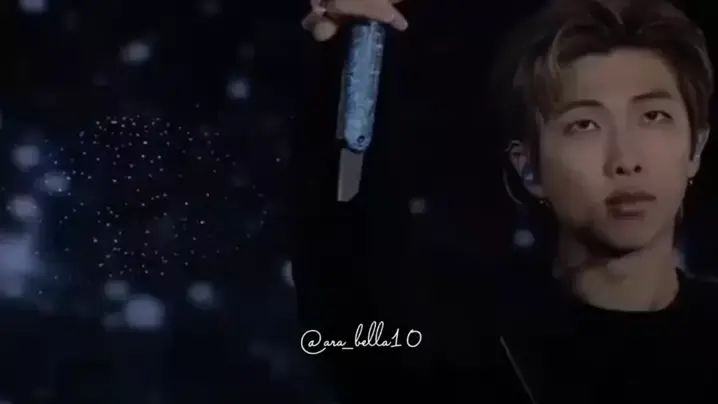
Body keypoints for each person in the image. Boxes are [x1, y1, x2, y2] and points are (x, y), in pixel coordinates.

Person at [294, 0, 718, 403]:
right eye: (585, 124)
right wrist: (346, 52)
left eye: (653, 116)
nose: (626, 160)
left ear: (696, 148)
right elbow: (345, 314)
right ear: (529, 168)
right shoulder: (469, 346)